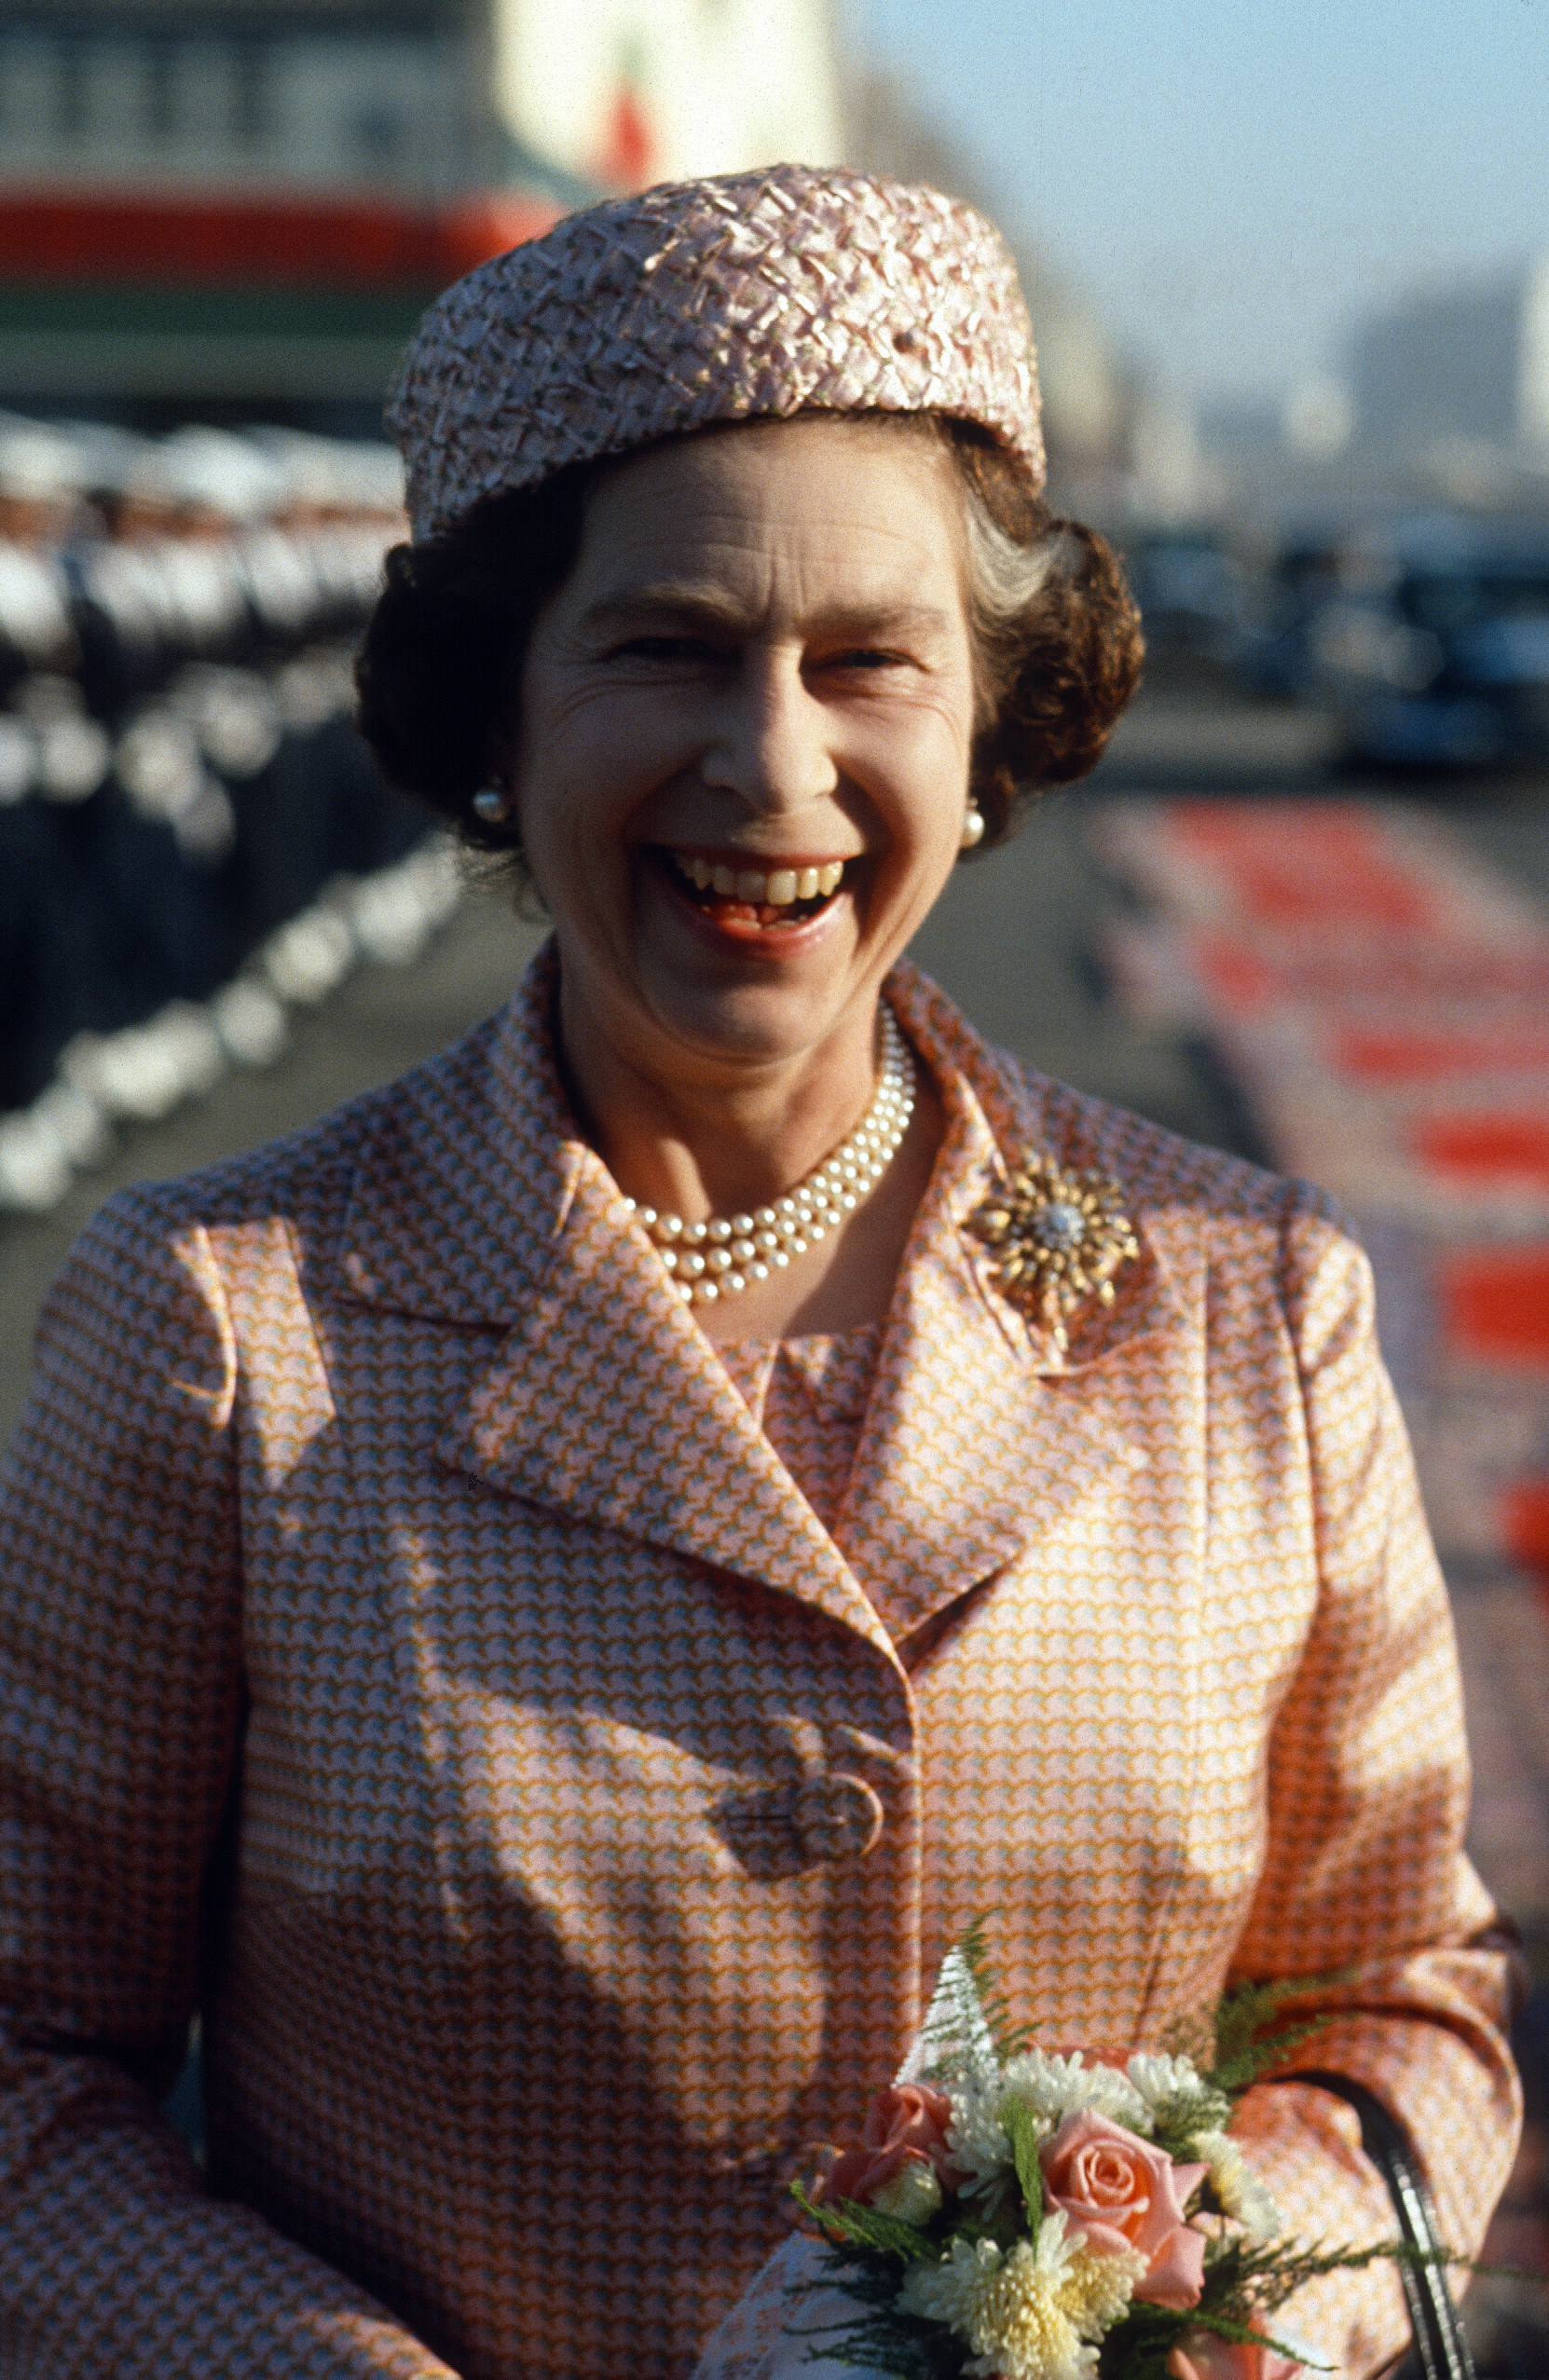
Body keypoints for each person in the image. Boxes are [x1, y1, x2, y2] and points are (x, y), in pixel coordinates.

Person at [0, 166, 1519, 2380]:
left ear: (986, 729)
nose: (776, 763)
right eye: (668, 648)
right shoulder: (224, 1320)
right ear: (496, 720)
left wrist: (1199, 2306)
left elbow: (1411, 2011)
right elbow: (26, 2066)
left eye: (868, 661)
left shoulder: (1248, 1300)